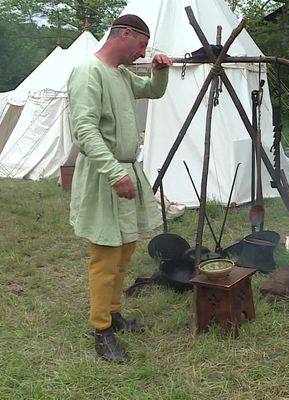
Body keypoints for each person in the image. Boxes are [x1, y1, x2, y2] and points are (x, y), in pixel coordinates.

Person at [68, 14, 173, 362]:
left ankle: (114, 313)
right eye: (141, 46)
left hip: (124, 170)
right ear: (125, 34)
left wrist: (160, 69)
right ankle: (101, 331)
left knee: (126, 247)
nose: (142, 54)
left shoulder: (122, 74)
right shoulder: (89, 73)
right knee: (106, 255)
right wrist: (114, 173)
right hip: (105, 174)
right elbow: (84, 130)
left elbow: (154, 91)